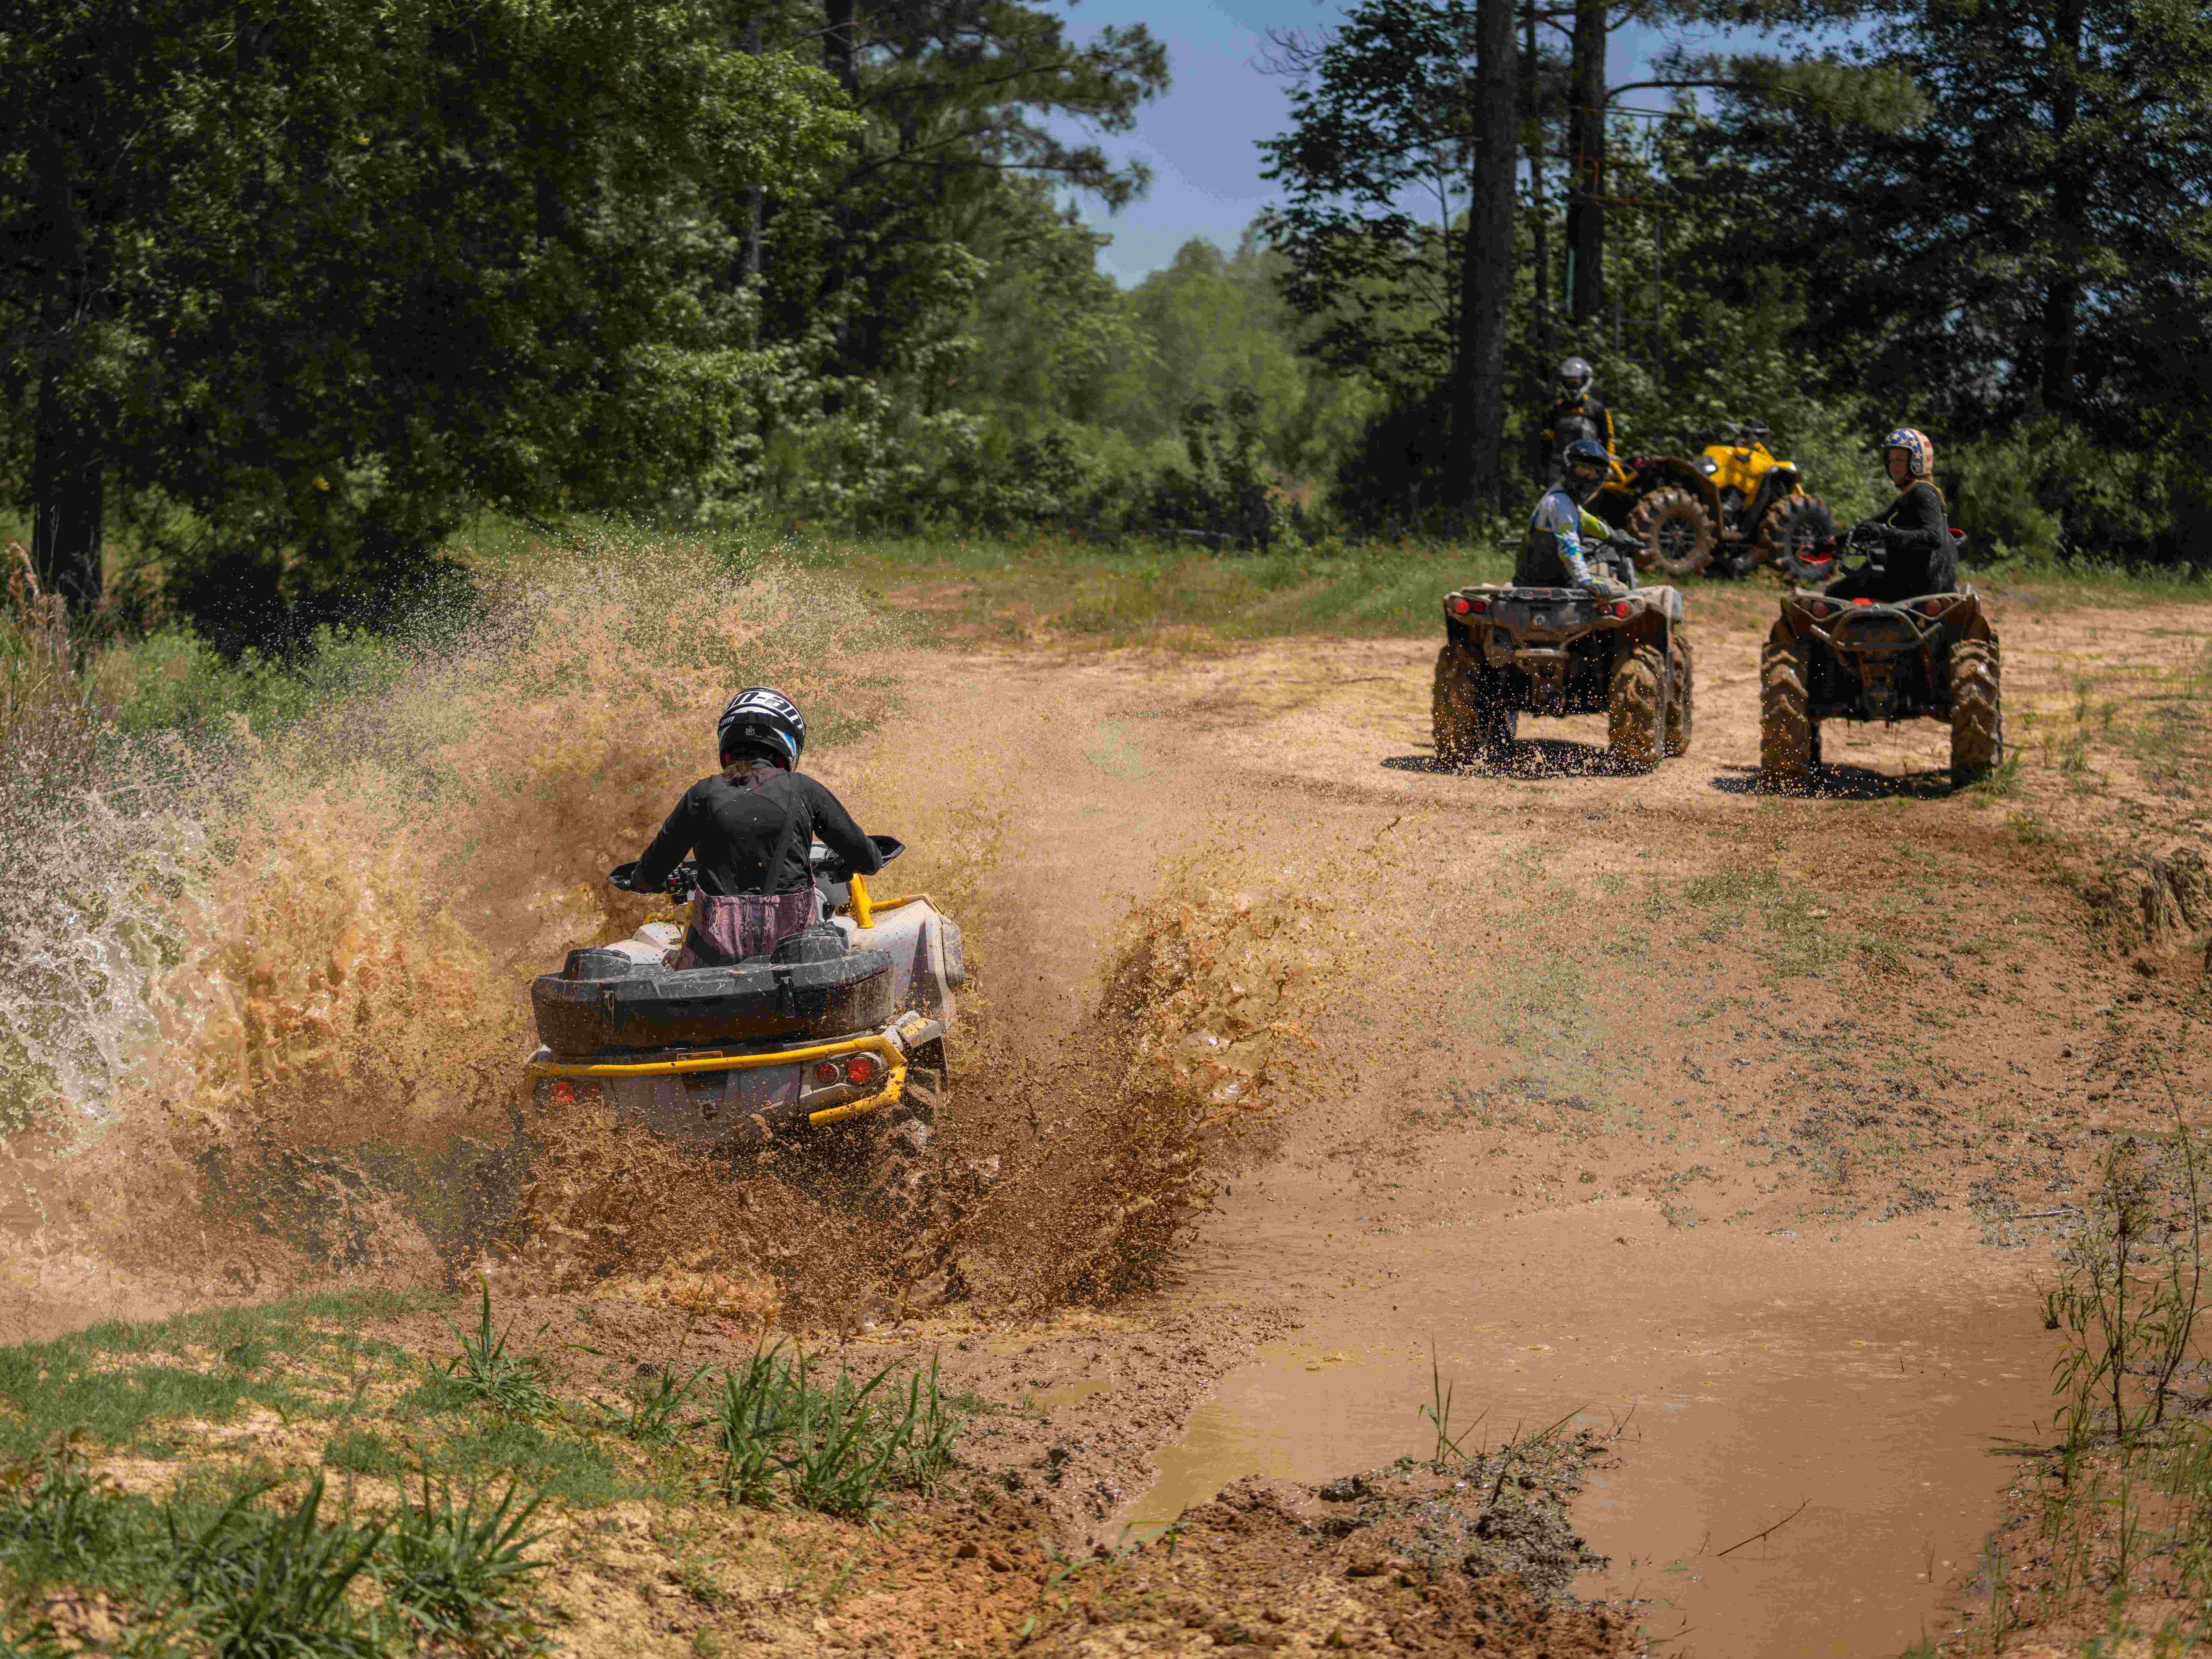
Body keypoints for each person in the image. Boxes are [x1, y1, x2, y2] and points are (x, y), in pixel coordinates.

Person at [622, 687, 884, 967]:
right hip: (795, 958)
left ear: (727, 742)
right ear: (787, 741)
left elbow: (648, 876)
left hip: (714, 963)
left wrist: (647, 881)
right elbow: (869, 859)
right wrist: (854, 862)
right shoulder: (805, 790)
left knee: (670, 961)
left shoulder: (701, 795)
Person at [1826, 427, 1956, 603]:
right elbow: (1875, 523)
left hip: (1913, 587)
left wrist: (1884, 533)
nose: (1894, 467)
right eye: (1891, 460)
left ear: (1917, 461)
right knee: (1859, 577)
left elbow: (1933, 537)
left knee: (1834, 593)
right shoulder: (1911, 494)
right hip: (1914, 582)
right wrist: (1834, 541)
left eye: (1900, 460)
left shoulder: (1922, 492)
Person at [1519, 438, 1638, 595]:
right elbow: (1569, 546)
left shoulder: (1562, 498)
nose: (1588, 477)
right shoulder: (1560, 503)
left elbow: (1586, 520)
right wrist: (1586, 581)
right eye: (1583, 469)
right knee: (1618, 589)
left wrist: (1612, 535)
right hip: (1547, 585)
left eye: (1594, 472)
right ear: (1568, 469)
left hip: (1541, 579)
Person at [1540, 357, 1616, 484]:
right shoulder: (1557, 409)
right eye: (1569, 382)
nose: (1573, 387)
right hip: (1560, 469)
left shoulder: (1597, 409)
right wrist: (1543, 467)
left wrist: (1609, 463)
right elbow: (1548, 440)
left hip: (1589, 468)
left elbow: (1608, 438)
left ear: (1585, 381)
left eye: (1576, 382)